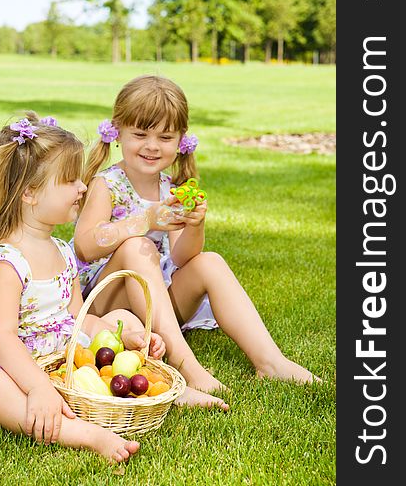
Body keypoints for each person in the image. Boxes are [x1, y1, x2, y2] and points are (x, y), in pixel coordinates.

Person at [0, 112, 167, 463]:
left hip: (55, 352)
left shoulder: (61, 250)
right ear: (29, 193)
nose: (83, 187)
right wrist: (38, 387)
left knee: (124, 318)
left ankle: (156, 390)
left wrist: (120, 337)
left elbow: (78, 316)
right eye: (70, 180)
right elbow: (2, 338)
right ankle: (84, 434)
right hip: (5, 362)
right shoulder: (5, 262)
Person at [73, 76, 319, 402]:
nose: (151, 145)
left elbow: (182, 260)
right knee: (137, 246)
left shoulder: (170, 188)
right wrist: (146, 220)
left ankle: (270, 360)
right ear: (118, 131)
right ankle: (188, 368)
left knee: (210, 261)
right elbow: (85, 247)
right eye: (140, 134)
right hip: (111, 299)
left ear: (180, 141)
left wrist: (194, 225)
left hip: (156, 303)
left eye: (165, 137)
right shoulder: (108, 184)